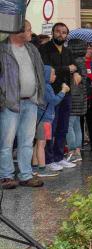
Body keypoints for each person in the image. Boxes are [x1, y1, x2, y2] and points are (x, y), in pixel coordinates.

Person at [0, 20, 47, 187]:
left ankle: (25, 175)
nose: (30, 33)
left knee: (27, 142)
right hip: (10, 104)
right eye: (28, 30)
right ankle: (6, 176)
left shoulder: (32, 49)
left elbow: (40, 71)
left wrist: (39, 95)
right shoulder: (2, 50)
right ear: (17, 31)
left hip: (31, 102)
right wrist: (2, 99)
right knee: (6, 142)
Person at [38, 22, 80, 170]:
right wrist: (68, 69)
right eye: (58, 31)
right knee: (51, 127)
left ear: (67, 35)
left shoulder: (68, 51)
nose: (60, 34)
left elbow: (75, 66)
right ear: (52, 32)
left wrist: (76, 73)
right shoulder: (44, 49)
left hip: (66, 93)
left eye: (64, 32)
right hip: (51, 93)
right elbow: (47, 69)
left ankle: (59, 157)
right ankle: (49, 160)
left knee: (63, 127)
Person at [35, 65, 71, 176]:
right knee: (42, 144)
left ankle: (35, 166)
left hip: (43, 118)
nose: (55, 76)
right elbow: (54, 101)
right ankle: (42, 169)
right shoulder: (47, 87)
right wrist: (63, 91)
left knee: (38, 144)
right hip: (45, 119)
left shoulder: (44, 86)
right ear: (46, 75)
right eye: (53, 74)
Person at [65, 38, 88, 164]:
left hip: (73, 97)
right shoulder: (82, 61)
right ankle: (77, 151)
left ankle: (72, 151)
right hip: (80, 97)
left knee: (69, 125)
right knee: (77, 125)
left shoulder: (74, 62)